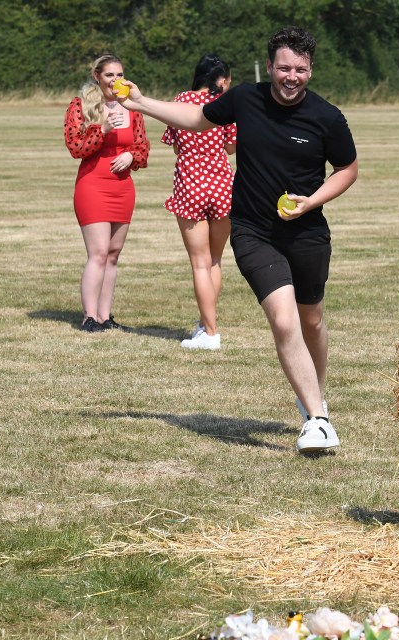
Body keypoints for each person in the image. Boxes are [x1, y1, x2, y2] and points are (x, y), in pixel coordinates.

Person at [116, 26, 358, 453]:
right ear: (270, 67)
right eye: (284, 67)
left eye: (300, 69)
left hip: (307, 232)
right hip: (252, 230)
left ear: (310, 70)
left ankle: (316, 401)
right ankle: (318, 420)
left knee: (312, 320)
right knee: (283, 320)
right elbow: (194, 117)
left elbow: (347, 169)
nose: (291, 76)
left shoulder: (327, 117)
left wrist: (311, 202)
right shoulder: (246, 98)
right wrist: (139, 102)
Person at [64, 54, 150, 332]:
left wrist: (130, 156)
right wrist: (102, 129)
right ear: (97, 76)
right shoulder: (80, 106)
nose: (116, 81)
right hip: (92, 185)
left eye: (120, 75)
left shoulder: (132, 108)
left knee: (113, 254)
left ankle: (104, 316)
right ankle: (89, 317)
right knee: (98, 252)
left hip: (122, 187)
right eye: (110, 75)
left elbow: (143, 148)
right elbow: (76, 147)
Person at [161, 54, 237, 350]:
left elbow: (174, 142)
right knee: (215, 260)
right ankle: (207, 325)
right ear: (221, 80)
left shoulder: (181, 99)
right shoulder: (225, 105)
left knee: (199, 263)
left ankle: (210, 332)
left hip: (190, 184)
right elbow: (231, 147)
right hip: (222, 185)